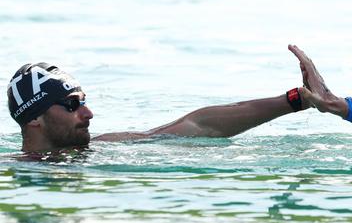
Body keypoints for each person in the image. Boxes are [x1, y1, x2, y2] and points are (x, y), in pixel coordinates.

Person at [7, 59, 307, 153]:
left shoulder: (106, 147)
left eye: (84, 102)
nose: (88, 113)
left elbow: (199, 127)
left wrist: (295, 100)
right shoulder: (12, 173)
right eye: (72, 105)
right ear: (34, 118)